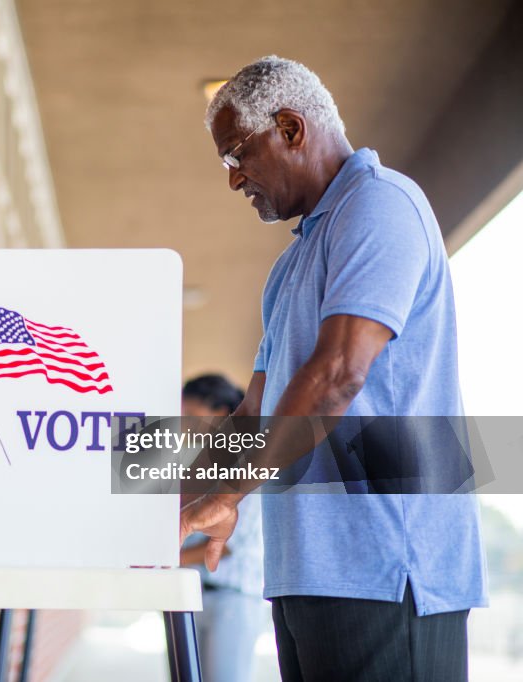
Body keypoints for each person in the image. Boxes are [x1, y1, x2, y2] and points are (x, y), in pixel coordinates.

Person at [179, 56, 487, 682]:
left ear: (290, 128)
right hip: (307, 570)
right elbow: (250, 414)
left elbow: (340, 372)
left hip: (386, 566)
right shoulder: (291, 266)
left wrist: (230, 494)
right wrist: (171, 507)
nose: (234, 181)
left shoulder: (380, 205)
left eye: (237, 156)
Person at [181, 374, 268, 682]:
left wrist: (166, 560)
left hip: (232, 599)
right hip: (190, 596)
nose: (183, 425)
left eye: (191, 415)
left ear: (219, 413)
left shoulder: (247, 461)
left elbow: (231, 542)